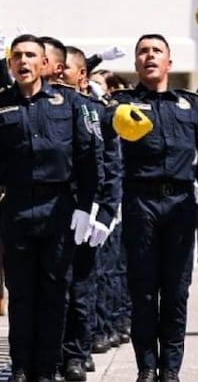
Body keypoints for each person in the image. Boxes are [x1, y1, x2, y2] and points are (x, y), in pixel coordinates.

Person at [110, 34, 198, 382]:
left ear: (169, 63)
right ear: (135, 64)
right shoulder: (120, 103)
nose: (149, 56)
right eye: (143, 52)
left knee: (176, 289)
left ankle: (171, 368)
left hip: (179, 204)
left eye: (156, 51)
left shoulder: (190, 105)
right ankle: (147, 366)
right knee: (143, 288)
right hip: (139, 201)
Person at [0, 34, 100, 382]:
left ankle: (46, 368)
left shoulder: (69, 103)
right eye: (17, 56)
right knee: (21, 293)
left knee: (55, 290)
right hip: (16, 208)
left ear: (44, 64)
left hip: (59, 207)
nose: (23, 61)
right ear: (10, 64)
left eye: (30, 55)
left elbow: (89, 158)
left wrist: (88, 208)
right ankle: (21, 366)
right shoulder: (1, 106)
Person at [55, 41, 121, 382]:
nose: (58, 71)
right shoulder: (46, 106)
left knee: (82, 288)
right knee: (53, 289)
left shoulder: (94, 110)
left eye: (64, 66)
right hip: (53, 210)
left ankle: (76, 354)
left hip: (87, 209)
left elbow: (110, 165)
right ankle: (52, 353)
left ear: (81, 74)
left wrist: (105, 212)